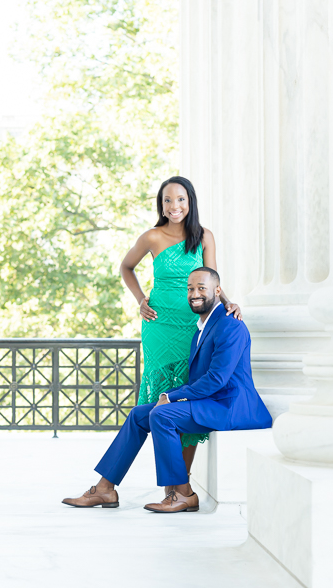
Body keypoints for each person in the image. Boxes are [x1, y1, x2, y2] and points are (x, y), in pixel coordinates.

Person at [62, 267, 272, 512]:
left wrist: (170, 396)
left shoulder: (230, 326)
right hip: (211, 402)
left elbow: (217, 379)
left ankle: (184, 494)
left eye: (201, 288)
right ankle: (105, 489)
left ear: (217, 291)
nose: (194, 293)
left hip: (231, 406)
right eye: (190, 288)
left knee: (161, 414)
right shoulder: (201, 329)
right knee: (138, 415)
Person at [119, 176, 241, 474]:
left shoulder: (204, 236)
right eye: (168, 200)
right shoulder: (151, 237)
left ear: (190, 202)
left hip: (191, 324)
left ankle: (180, 481)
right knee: (160, 400)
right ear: (161, 205)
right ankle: (172, 481)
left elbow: (212, 278)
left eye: (181, 199)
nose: (174, 206)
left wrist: (228, 302)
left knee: (186, 396)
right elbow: (126, 267)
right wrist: (139, 299)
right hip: (158, 325)